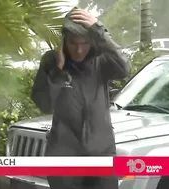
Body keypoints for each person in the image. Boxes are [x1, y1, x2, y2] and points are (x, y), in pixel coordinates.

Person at [31, 7, 131, 189]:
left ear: (92, 42)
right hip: (63, 157)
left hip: (102, 154)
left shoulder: (102, 60)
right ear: (63, 41)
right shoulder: (51, 62)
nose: (78, 50)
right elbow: (44, 104)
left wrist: (99, 30)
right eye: (72, 43)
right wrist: (58, 73)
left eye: (84, 43)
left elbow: (124, 69)